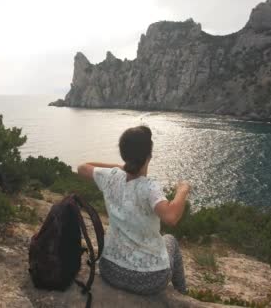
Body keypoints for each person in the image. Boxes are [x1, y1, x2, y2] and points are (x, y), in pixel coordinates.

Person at [77, 125, 190, 295]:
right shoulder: (149, 188)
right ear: (148, 156)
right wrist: (183, 190)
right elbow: (171, 217)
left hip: (110, 271)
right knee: (170, 240)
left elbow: (82, 167)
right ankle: (182, 294)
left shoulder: (111, 177)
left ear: (124, 154)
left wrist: (116, 167)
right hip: (148, 280)